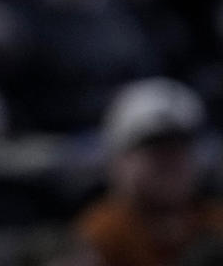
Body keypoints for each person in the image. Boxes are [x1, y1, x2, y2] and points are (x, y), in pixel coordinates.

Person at [75, 77, 223, 266]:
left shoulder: (215, 224)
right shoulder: (102, 236)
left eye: (179, 149)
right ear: (120, 161)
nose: (171, 163)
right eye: (155, 151)